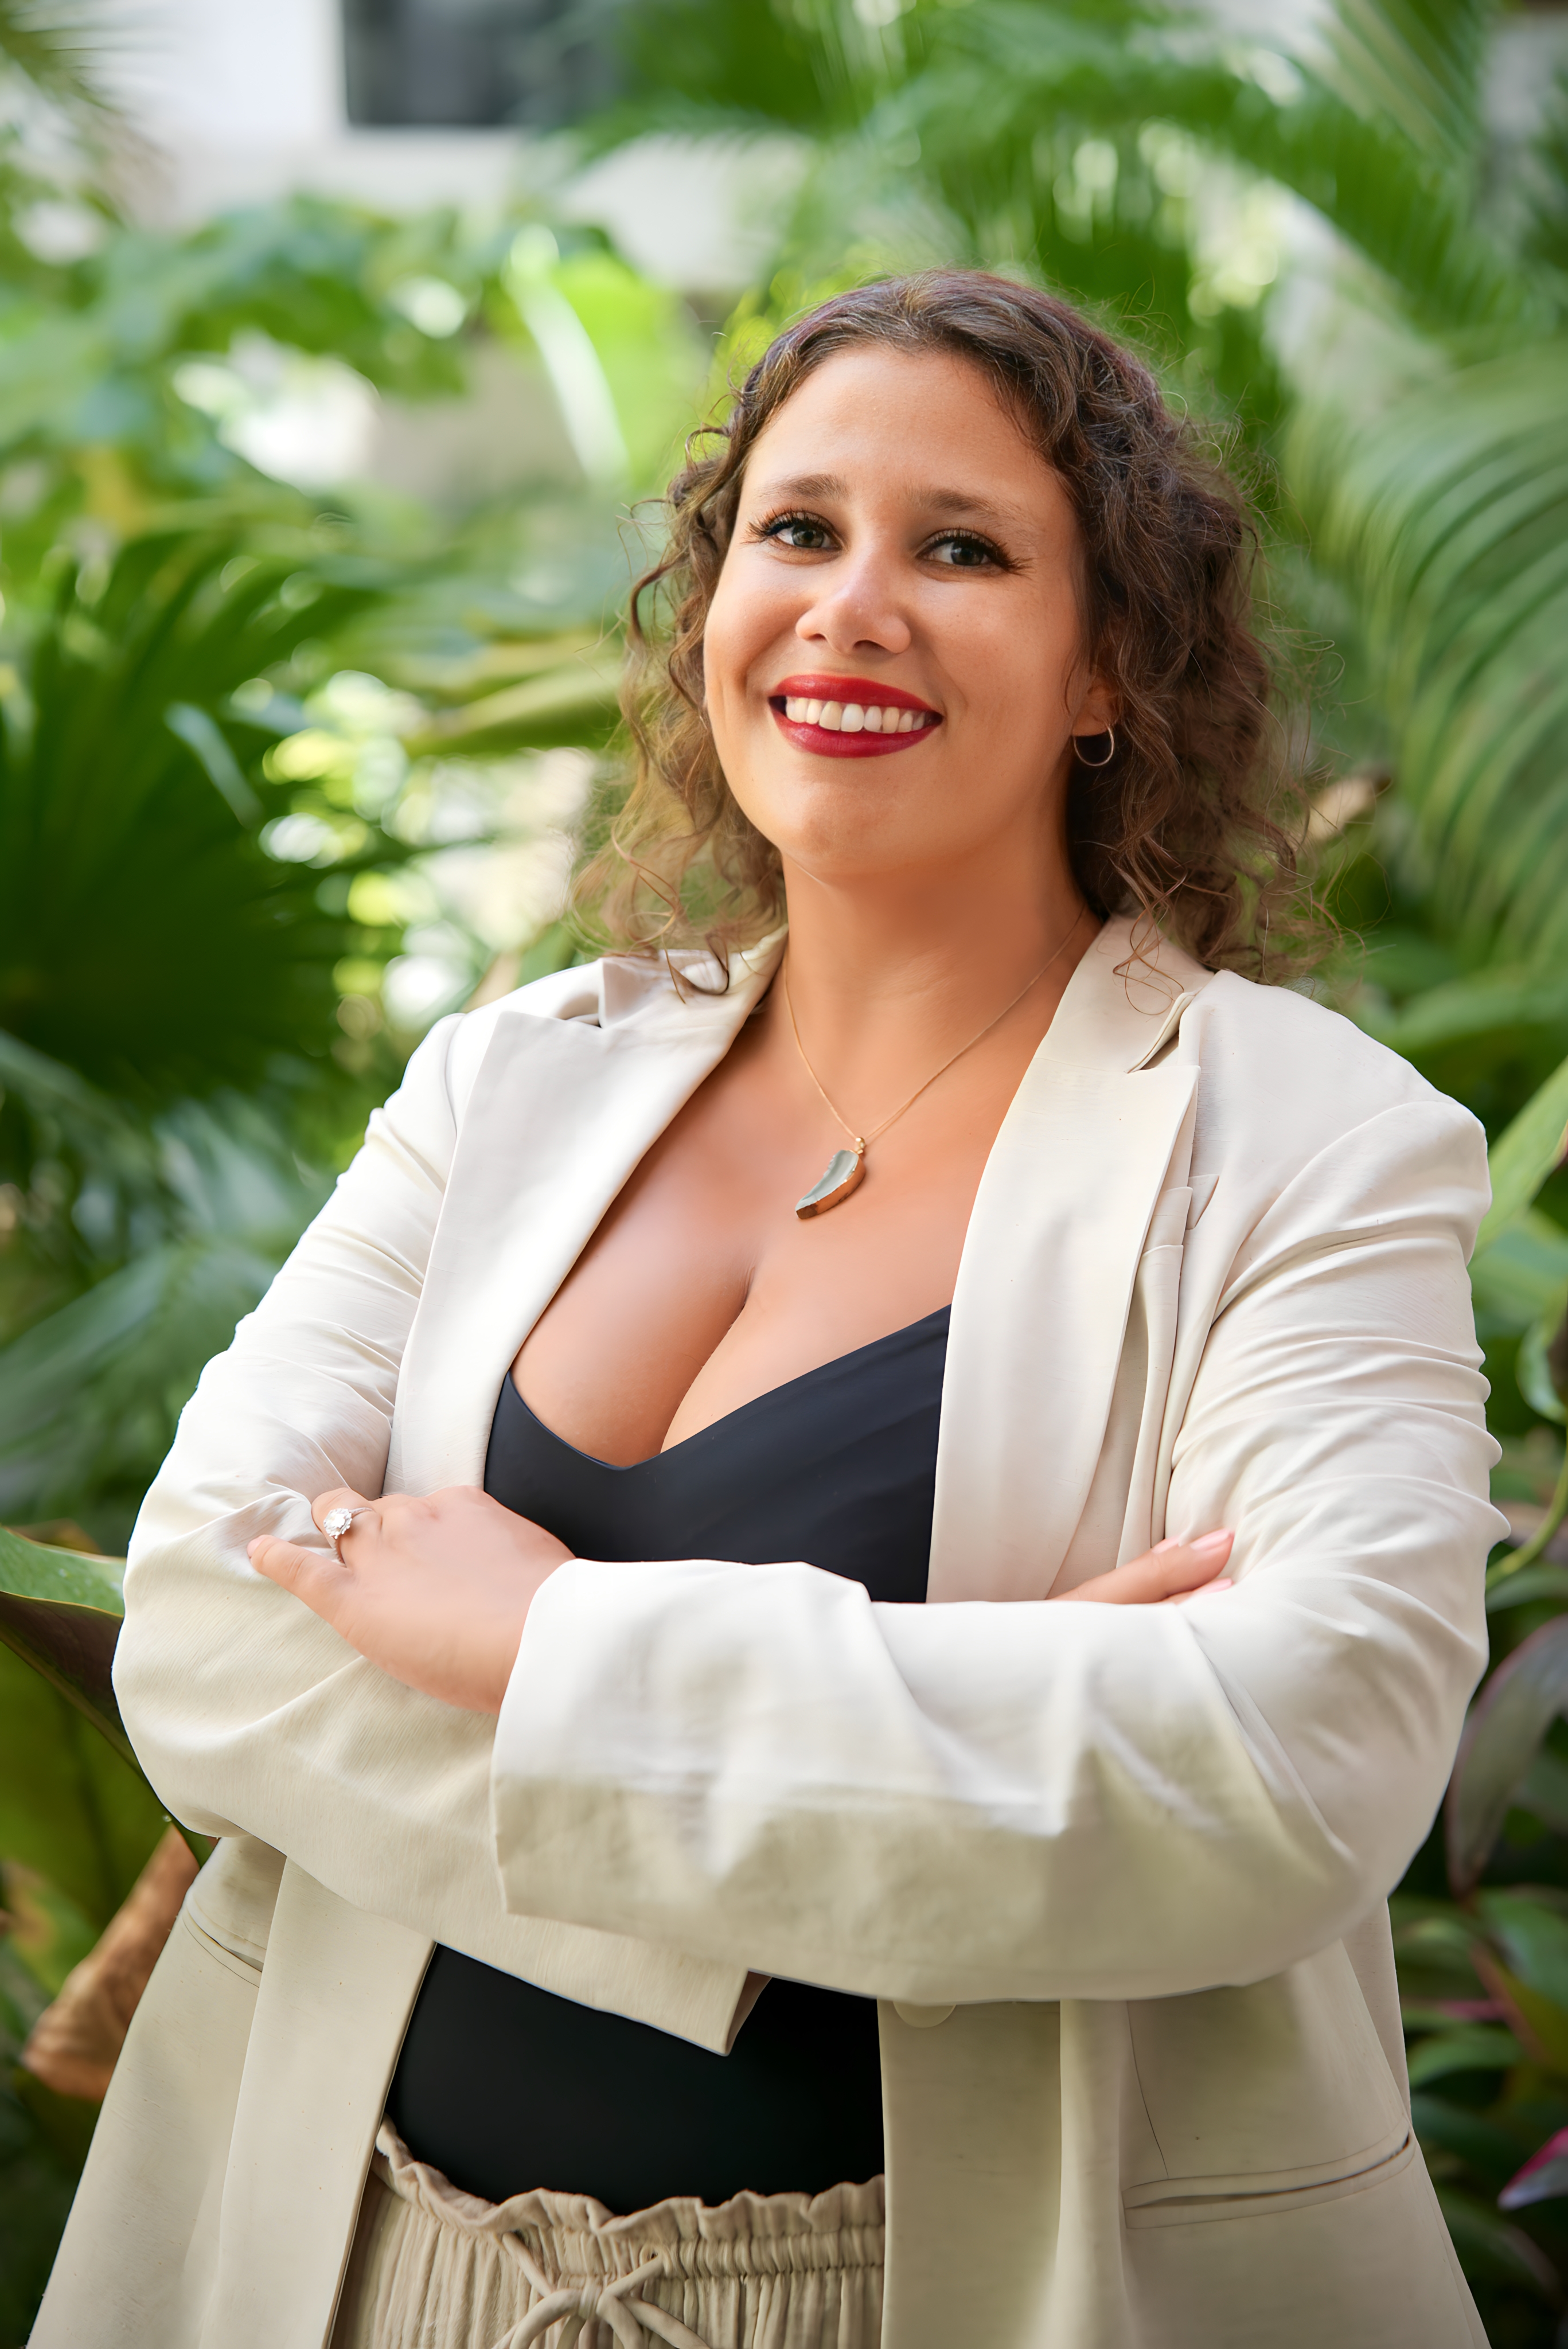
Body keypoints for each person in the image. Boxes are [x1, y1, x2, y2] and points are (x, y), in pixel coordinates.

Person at [35, 272, 1499, 2349]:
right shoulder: (507, 1081)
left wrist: (538, 1645)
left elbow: (1288, 1770)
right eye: (798, 530)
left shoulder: (1307, 1143)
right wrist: (965, 1733)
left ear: (1109, 665)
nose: (851, 608)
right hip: (361, 2275)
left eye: (962, 550)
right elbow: (205, 1631)